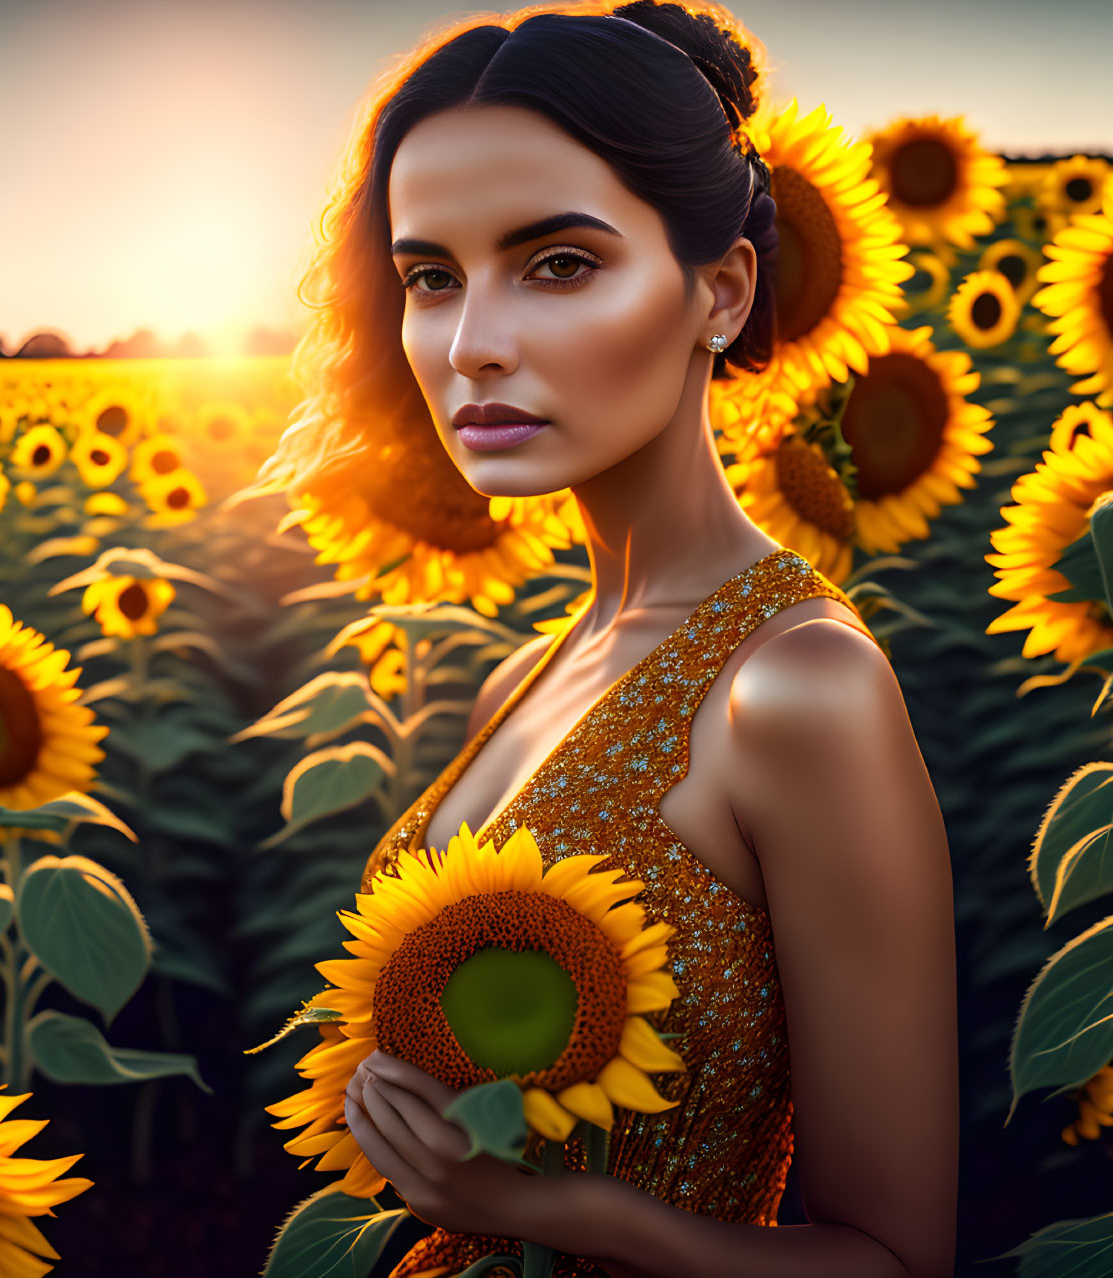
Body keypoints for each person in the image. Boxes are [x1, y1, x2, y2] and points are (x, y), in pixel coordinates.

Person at [250, 3, 957, 1274]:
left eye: (558, 264)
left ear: (720, 292)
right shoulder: (533, 674)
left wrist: (540, 1210)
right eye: (430, 278)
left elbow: (891, 1259)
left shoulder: (799, 688)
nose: (472, 345)